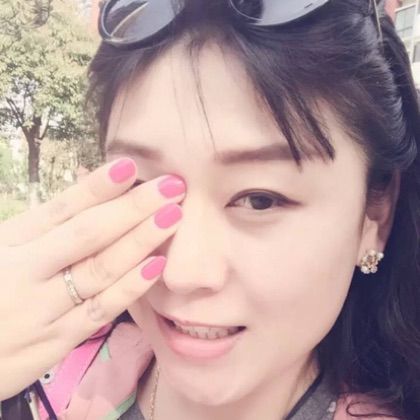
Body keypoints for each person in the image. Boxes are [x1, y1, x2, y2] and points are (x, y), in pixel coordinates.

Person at [1, 0, 419, 419]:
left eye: (260, 199)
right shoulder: (38, 372)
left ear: (376, 213)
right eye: (141, 188)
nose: (182, 274)